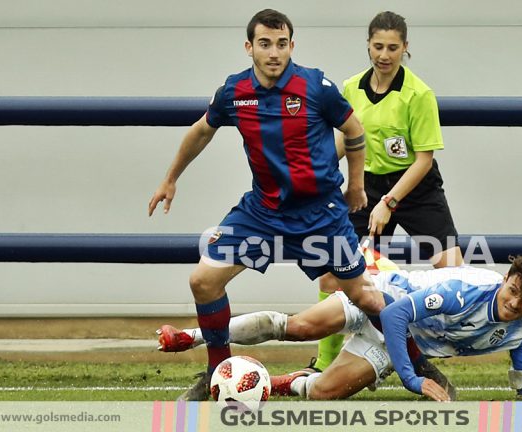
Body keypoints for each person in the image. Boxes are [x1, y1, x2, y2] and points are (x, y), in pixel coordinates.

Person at [147, 9, 386, 401]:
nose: (273, 52)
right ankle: (215, 373)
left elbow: (354, 130)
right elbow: (201, 130)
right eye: (264, 44)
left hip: (320, 213)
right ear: (249, 48)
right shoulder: (234, 91)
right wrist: (170, 178)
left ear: (292, 45)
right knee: (203, 281)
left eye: (281, 44)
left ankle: (416, 366)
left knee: (364, 296)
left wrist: (356, 187)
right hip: (263, 211)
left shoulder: (316, 86)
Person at [158, 252, 522, 402]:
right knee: (301, 328)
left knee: (324, 392)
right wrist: (412, 379)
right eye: (512, 290)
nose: (513, 303)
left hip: (405, 344)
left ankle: (267, 383)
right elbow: (396, 315)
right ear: (507, 278)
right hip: (380, 298)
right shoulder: (467, 291)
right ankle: (193, 337)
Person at [312, 10, 464, 373]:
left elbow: (424, 160)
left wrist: (389, 202)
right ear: (367, 45)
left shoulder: (419, 94)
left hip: (415, 186)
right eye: (378, 46)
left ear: (405, 48)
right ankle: (324, 362)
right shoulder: (350, 88)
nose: (384, 54)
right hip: (365, 184)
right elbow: (346, 140)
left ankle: (424, 353)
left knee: (453, 271)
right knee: (334, 271)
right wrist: (316, 175)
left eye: (392, 47)